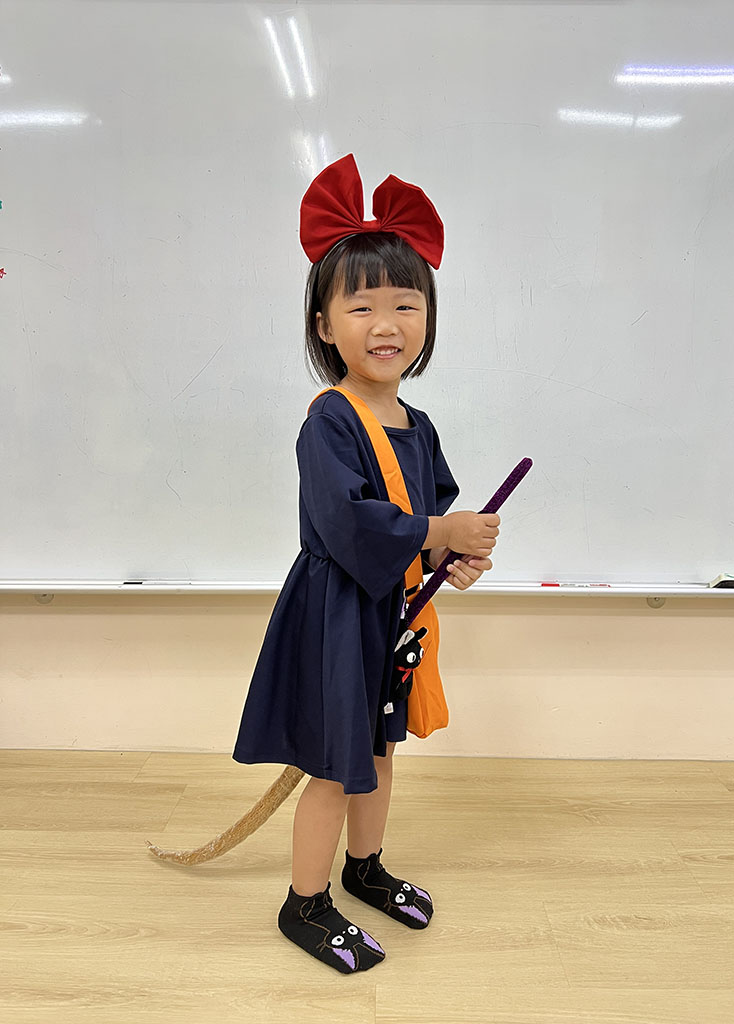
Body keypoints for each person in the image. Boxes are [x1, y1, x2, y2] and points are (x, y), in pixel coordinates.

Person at [233, 154, 501, 973]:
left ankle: (365, 868)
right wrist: (439, 530)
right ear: (325, 325)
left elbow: (430, 519)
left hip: (394, 615)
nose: (386, 324)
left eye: (405, 305)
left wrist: (453, 554)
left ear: (428, 318)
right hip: (338, 615)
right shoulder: (331, 419)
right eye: (362, 306)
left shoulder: (417, 422)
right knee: (332, 765)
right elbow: (350, 525)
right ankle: (305, 902)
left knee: (380, 750)